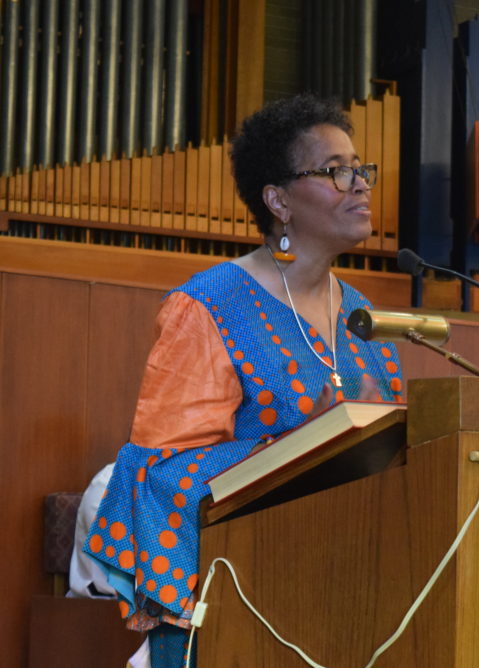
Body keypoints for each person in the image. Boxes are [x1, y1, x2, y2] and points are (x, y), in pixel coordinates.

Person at [84, 94, 405, 667]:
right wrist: (298, 447)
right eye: (336, 170)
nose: (360, 184)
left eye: (360, 169)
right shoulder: (208, 306)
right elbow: (157, 472)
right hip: (243, 604)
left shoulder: (364, 318)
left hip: (358, 593)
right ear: (278, 200)